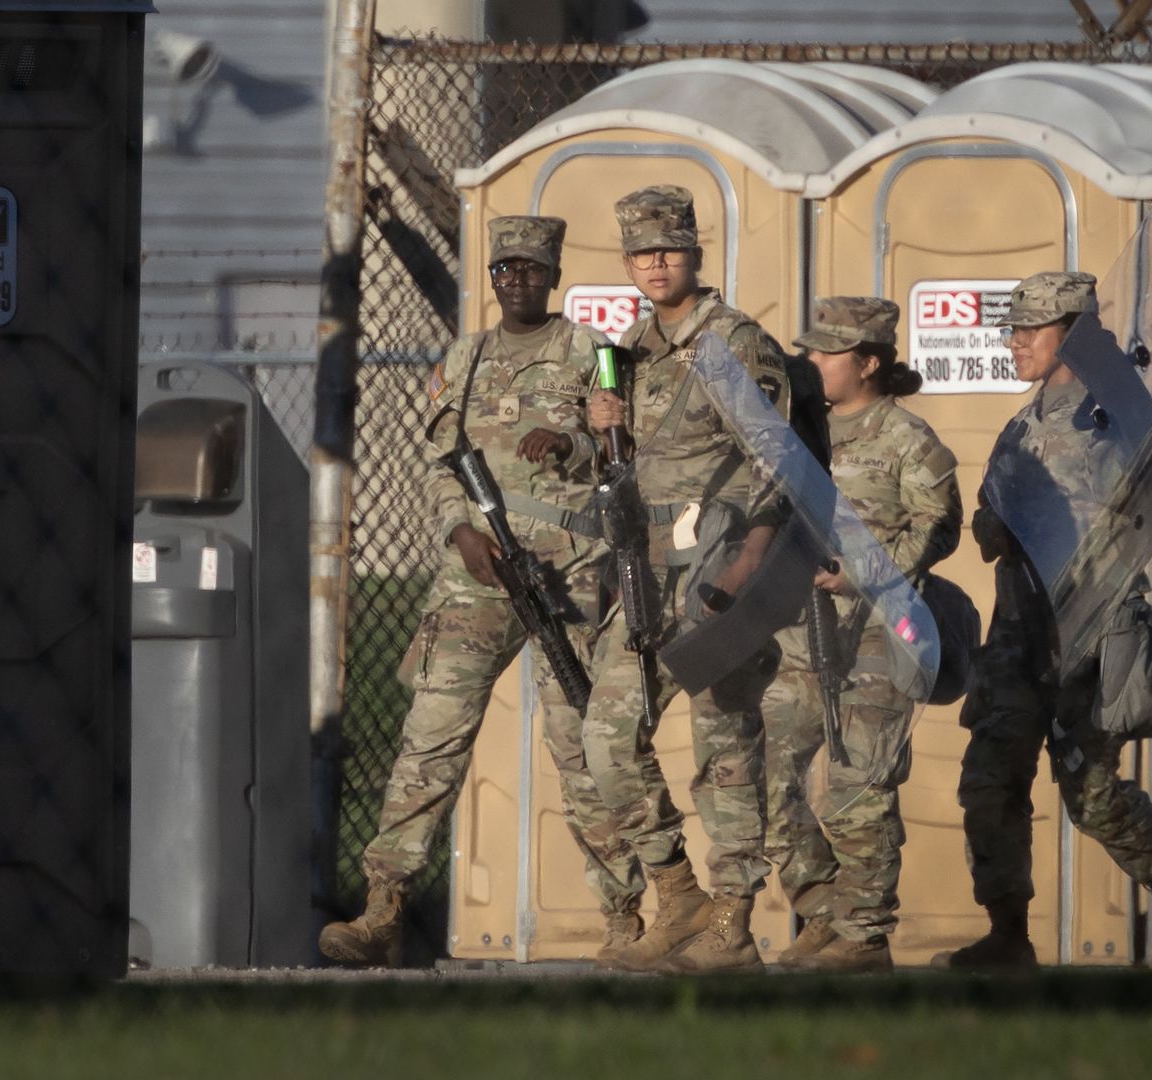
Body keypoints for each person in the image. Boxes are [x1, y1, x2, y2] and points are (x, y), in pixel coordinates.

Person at [318, 216, 643, 967]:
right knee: (431, 736)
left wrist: (575, 442)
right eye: (504, 270)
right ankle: (383, 906)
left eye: (531, 268)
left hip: (568, 570)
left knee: (582, 744)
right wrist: (459, 535)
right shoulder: (464, 359)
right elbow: (439, 463)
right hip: (477, 574)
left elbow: (625, 446)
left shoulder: (593, 353)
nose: (516, 280)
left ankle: (624, 914)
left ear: (553, 275)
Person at [938, 271, 1152, 970]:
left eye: (1026, 331)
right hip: (1018, 630)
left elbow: (1146, 491)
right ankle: (1008, 935)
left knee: (1091, 796)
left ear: (1068, 333)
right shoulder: (1025, 419)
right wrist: (997, 526)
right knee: (990, 779)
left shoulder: (1112, 413)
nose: (1013, 343)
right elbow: (990, 512)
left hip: (1085, 632)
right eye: (1009, 330)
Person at [581, 185, 795, 973]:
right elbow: (619, 467)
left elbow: (779, 458)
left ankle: (733, 923)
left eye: (669, 248)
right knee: (605, 737)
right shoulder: (629, 348)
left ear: (695, 253)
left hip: (716, 562)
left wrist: (747, 562)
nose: (655, 263)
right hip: (645, 564)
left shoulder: (732, 341)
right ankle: (679, 897)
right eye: (641, 252)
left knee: (725, 740)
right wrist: (600, 425)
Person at [760, 297, 962, 973]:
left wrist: (864, 574)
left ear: (869, 363)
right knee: (758, 774)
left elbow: (938, 527)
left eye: (826, 353)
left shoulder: (907, 438)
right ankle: (823, 910)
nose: (811, 363)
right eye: (808, 351)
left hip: (878, 634)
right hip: (798, 634)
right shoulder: (796, 434)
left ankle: (865, 933)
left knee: (857, 783)